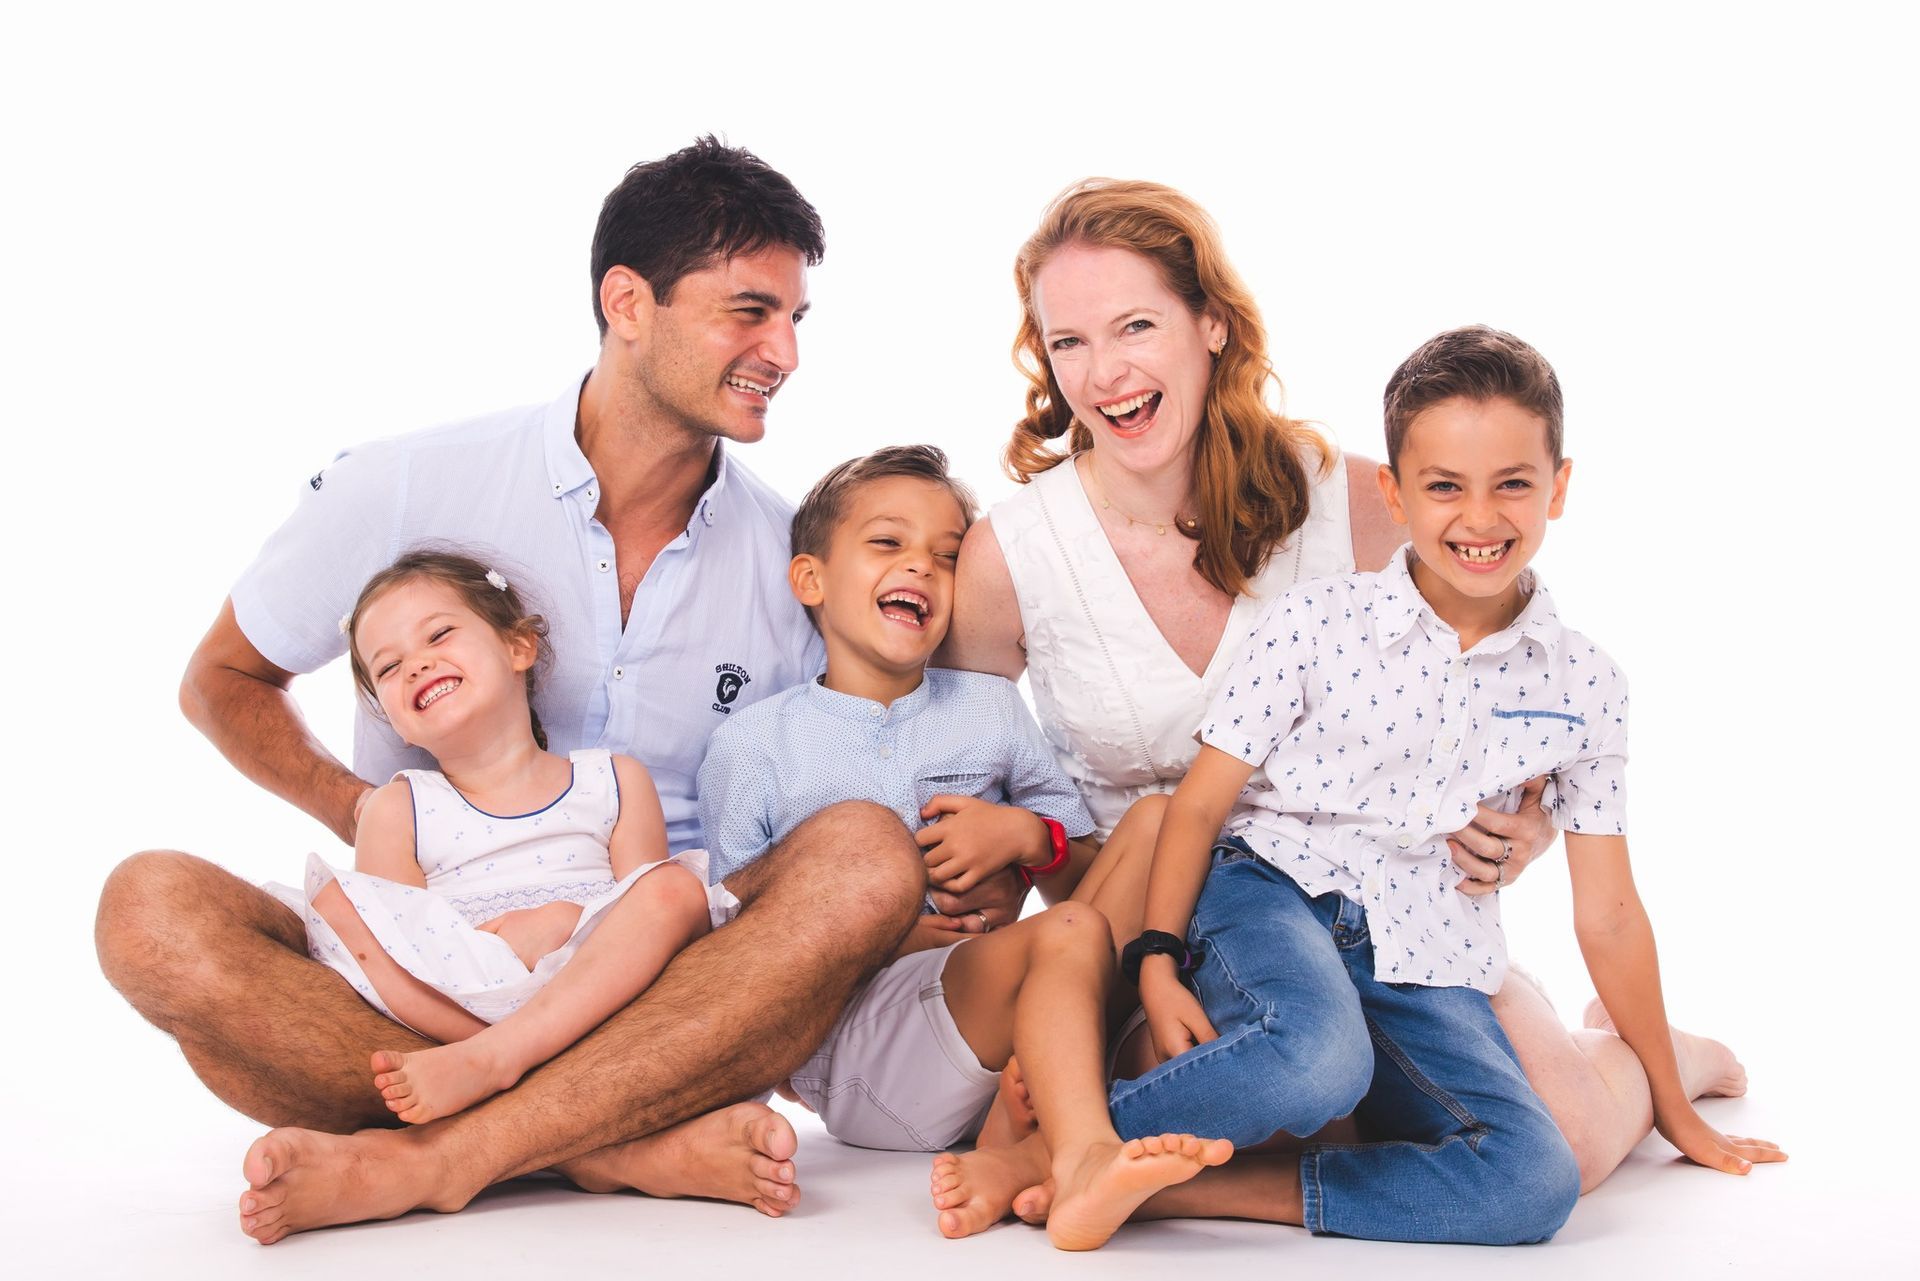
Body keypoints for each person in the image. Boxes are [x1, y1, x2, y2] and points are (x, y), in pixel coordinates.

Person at [95, 137, 930, 1244]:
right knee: (147, 912)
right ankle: (607, 1145)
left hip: (671, 987)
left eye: (794, 320)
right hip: (432, 971)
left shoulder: (793, 562)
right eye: (747, 313)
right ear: (627, 302)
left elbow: (837, 790)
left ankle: (447, 1159)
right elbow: (222, 682)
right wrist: (371, 816)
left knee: (870, 853)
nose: (782, 350)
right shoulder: (403, 485)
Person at [942, 179, 1752, 1225]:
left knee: (1572, 1148)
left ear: (1211, 325)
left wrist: (1525, 829)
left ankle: (1654, 1056)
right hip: (1170, 917)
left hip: (1394, 909)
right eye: (1070, 343)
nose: (1107, 372)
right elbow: (963, 796)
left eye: (1136, 325)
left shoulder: (1360, 496)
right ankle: (1085, 1149)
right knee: (1308, 1074)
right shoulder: (1014, 552)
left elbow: (1499, 691)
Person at [1109, 324, 1783, 1244]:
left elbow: (1612, 912)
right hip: (1274, 894)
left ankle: (1171, 1187)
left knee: (1537, 1181)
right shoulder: (1316, 622)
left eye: (1513, 482)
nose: (1480, 517)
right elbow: (1201, 801)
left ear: (1560, 485)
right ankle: (1070, 1143)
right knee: (1319, 1060)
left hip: (1428, 954)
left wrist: (1674, 1106)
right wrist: (1154, 952)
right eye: (1444, 486)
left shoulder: (1585, 684)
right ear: (1394, 492)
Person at [697, 444, 1230, 1251]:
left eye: (947, 556)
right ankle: (1079, 1152)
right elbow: (738, 945)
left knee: (1156, 821)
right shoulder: (756, 743)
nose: (922, 566)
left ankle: (1015, 1145)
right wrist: (886, 932)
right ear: (811, 579)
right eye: (888, 543)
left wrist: (1027, 837)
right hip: (867, 1051)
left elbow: (1084, 882)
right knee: (1071, 936)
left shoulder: (989, 709)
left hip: (991, 1010)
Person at [304, 551, 724, 1125]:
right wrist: (498, 945)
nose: (417, 666)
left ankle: (502, 1061)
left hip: (593, 995)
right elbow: (408, 949)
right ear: (392, 718)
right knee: (335, 905)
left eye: (439, 634)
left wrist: (560, 924)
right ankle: (506, 1060)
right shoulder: (399, 808)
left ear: (517, 646)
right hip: (463, 1002)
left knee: (676, 890)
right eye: (388, 667)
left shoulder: (612, 781)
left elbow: (648, 937)